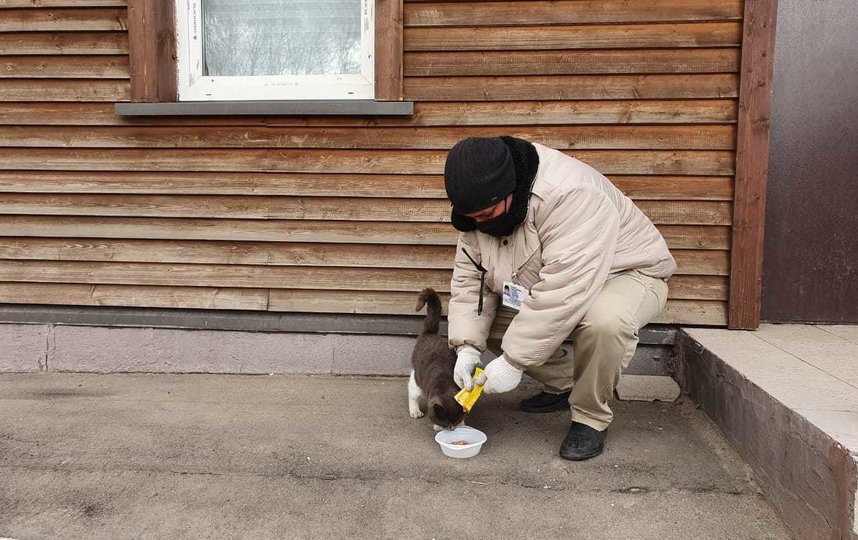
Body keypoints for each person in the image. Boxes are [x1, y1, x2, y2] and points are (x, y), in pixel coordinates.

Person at [444, 136, 676, 460]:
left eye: (485, 214)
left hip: (627, 272)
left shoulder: (571, 195)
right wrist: (467, 347)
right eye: (472, 218)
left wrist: (513, 362)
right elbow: (472, 283)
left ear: (509, 191)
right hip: (556, 282)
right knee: (492, 328)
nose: (478, 224)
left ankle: (590, 418)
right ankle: (567, 383)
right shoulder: (477, 209)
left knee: (605, 322)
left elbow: (565, 291)